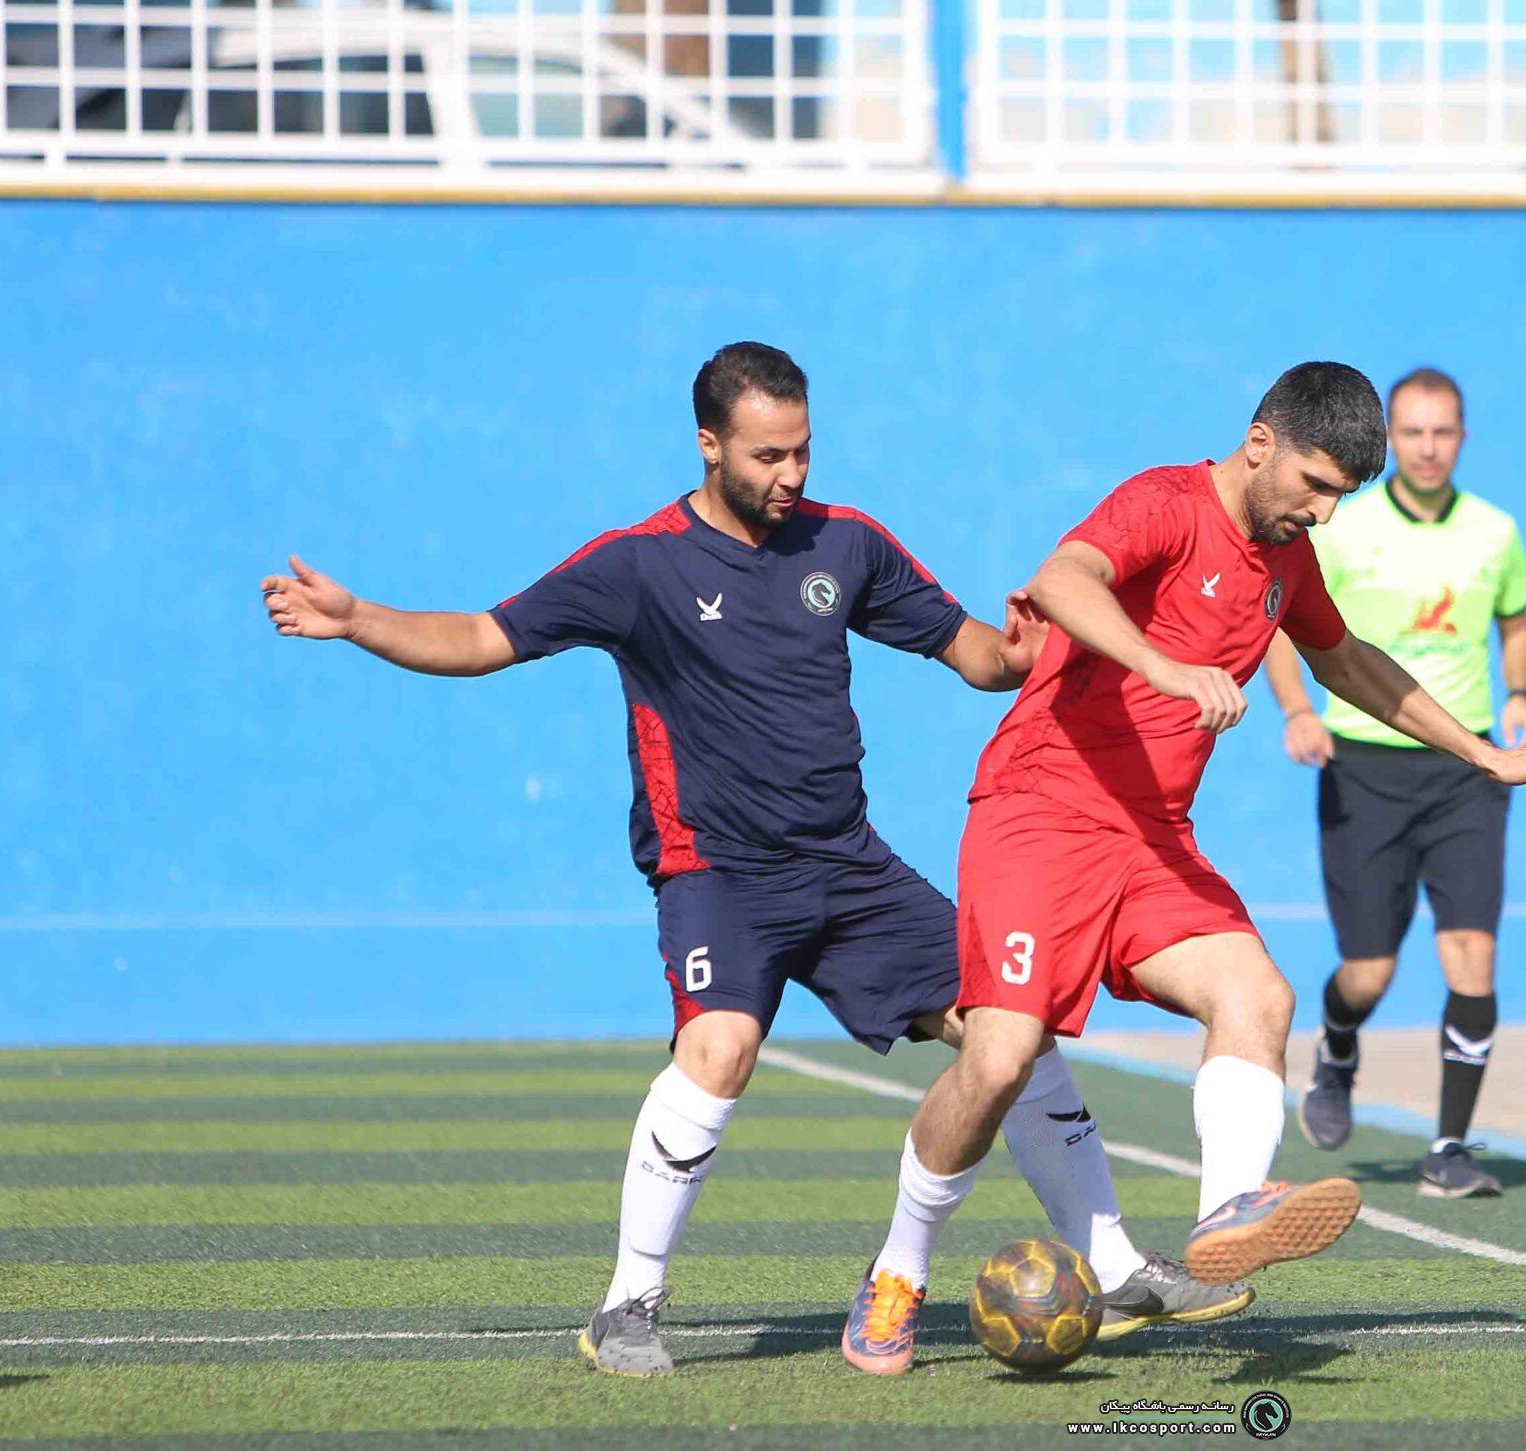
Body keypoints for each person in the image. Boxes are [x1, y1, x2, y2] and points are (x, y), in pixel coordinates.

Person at [260, 341, 1244, 1379]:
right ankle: (627, 1306)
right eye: (768, 455)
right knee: (720, 1047)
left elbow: (979, 657)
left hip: (850, 868)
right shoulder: (637, 565)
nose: (791, 474)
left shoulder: (845, 543)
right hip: (719, 874)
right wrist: (357, 621)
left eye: (803, 451)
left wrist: (1034, 646)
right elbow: (479, 636)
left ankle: (1114, 1263)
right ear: (709, 444)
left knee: (1014, 1030)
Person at [847, 362, 1526, 1375]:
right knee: (997, 1060)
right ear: (1260, 443)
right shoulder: (1163, 502)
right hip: (1039, 812)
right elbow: (1061, 580)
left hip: (1151, 837)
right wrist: (1162, 665)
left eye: (1342, 495)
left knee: (1258, 996)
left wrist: (1480, 752)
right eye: (1315, 483)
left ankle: (1226, 1216)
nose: (1324, 511)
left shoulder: (1288, 558)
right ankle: (897, 1272)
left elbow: (1346, 661)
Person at [1257, 366, 1526, 1199]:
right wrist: (1297, 710)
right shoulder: (1340, 525)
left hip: (1466, 768)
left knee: (1472, 957)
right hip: (1362, 767)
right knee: (1369, 970)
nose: (1427, 447)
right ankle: (1339, 1041)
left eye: (1442, 431)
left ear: (1462, 437)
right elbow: (1284, 624)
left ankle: (1449, 1148)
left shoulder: (1495, 531)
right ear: (1391, 439)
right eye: (1411, 431)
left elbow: (1515, 624)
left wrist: (1521, 693)